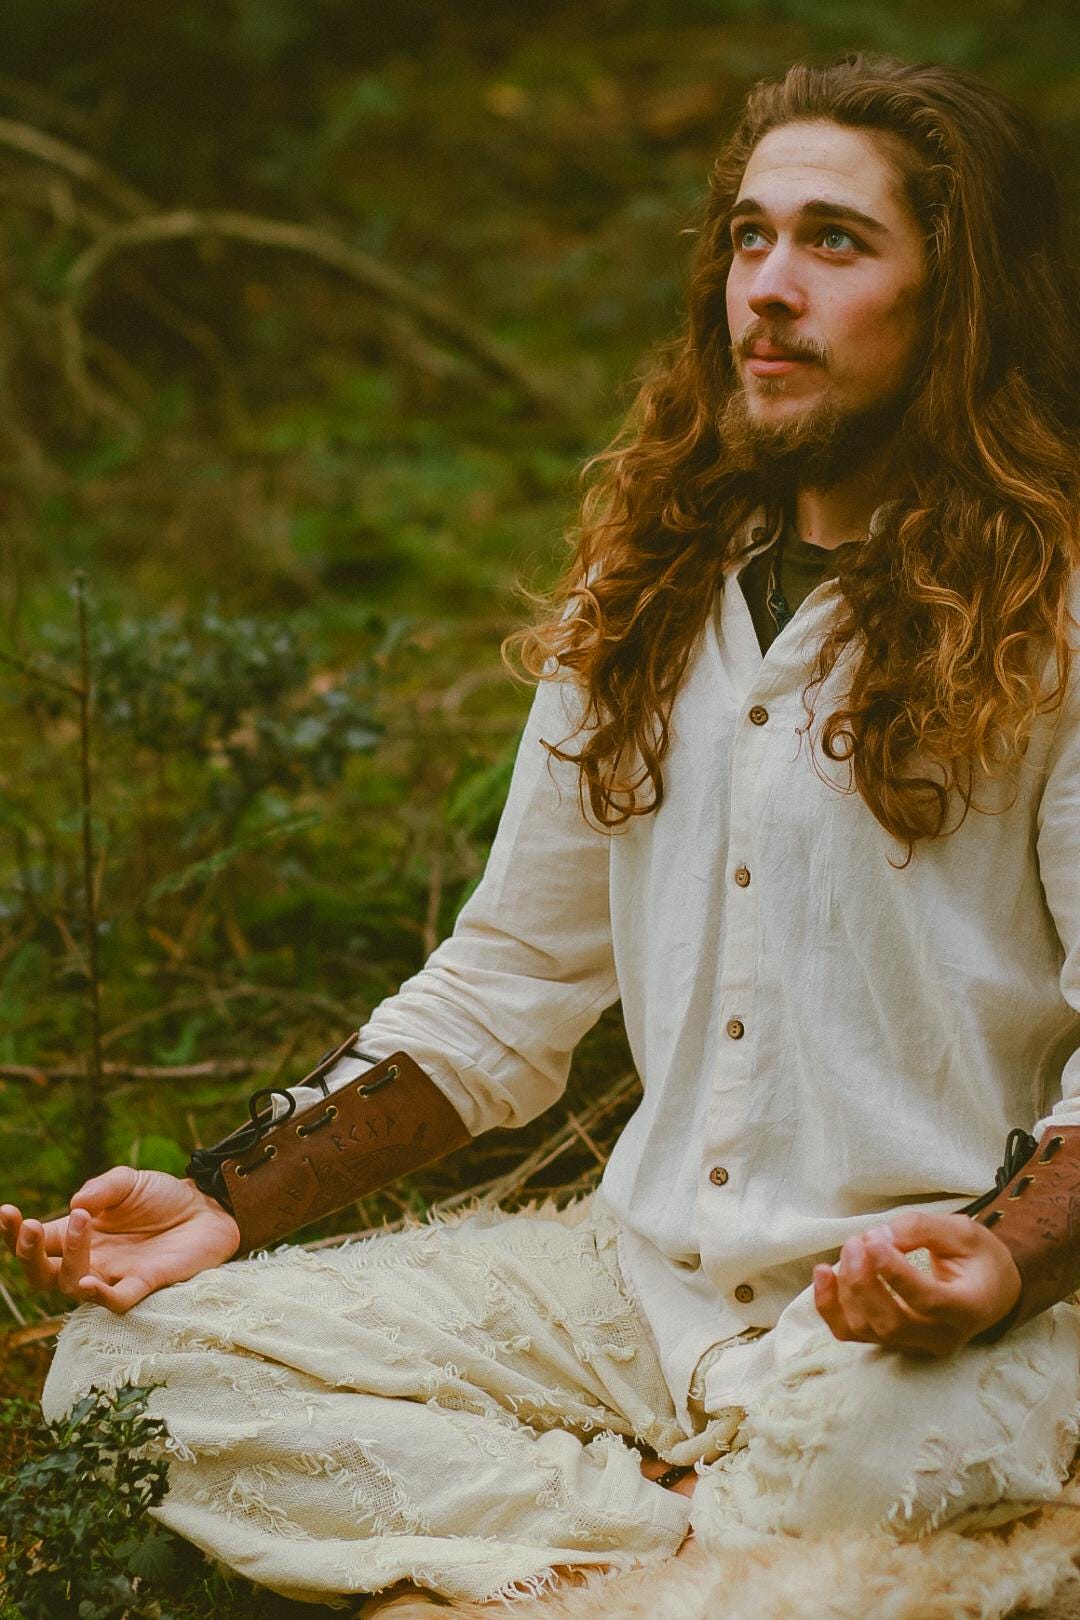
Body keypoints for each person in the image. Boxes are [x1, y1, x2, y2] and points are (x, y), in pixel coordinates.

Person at [4, 50, 1080, 1618]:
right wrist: (232, 1198)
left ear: (961, 297)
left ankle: (654, 1551)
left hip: (919, 1328)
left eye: (837, 243)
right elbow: (505, 986)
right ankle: (675, 1546)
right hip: (628, 1295)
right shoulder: (646, 594)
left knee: (861, 1455)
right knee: (122, 1375)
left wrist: (1003, 1259)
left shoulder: (1057, 620)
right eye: (750, 237)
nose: (769, 288)